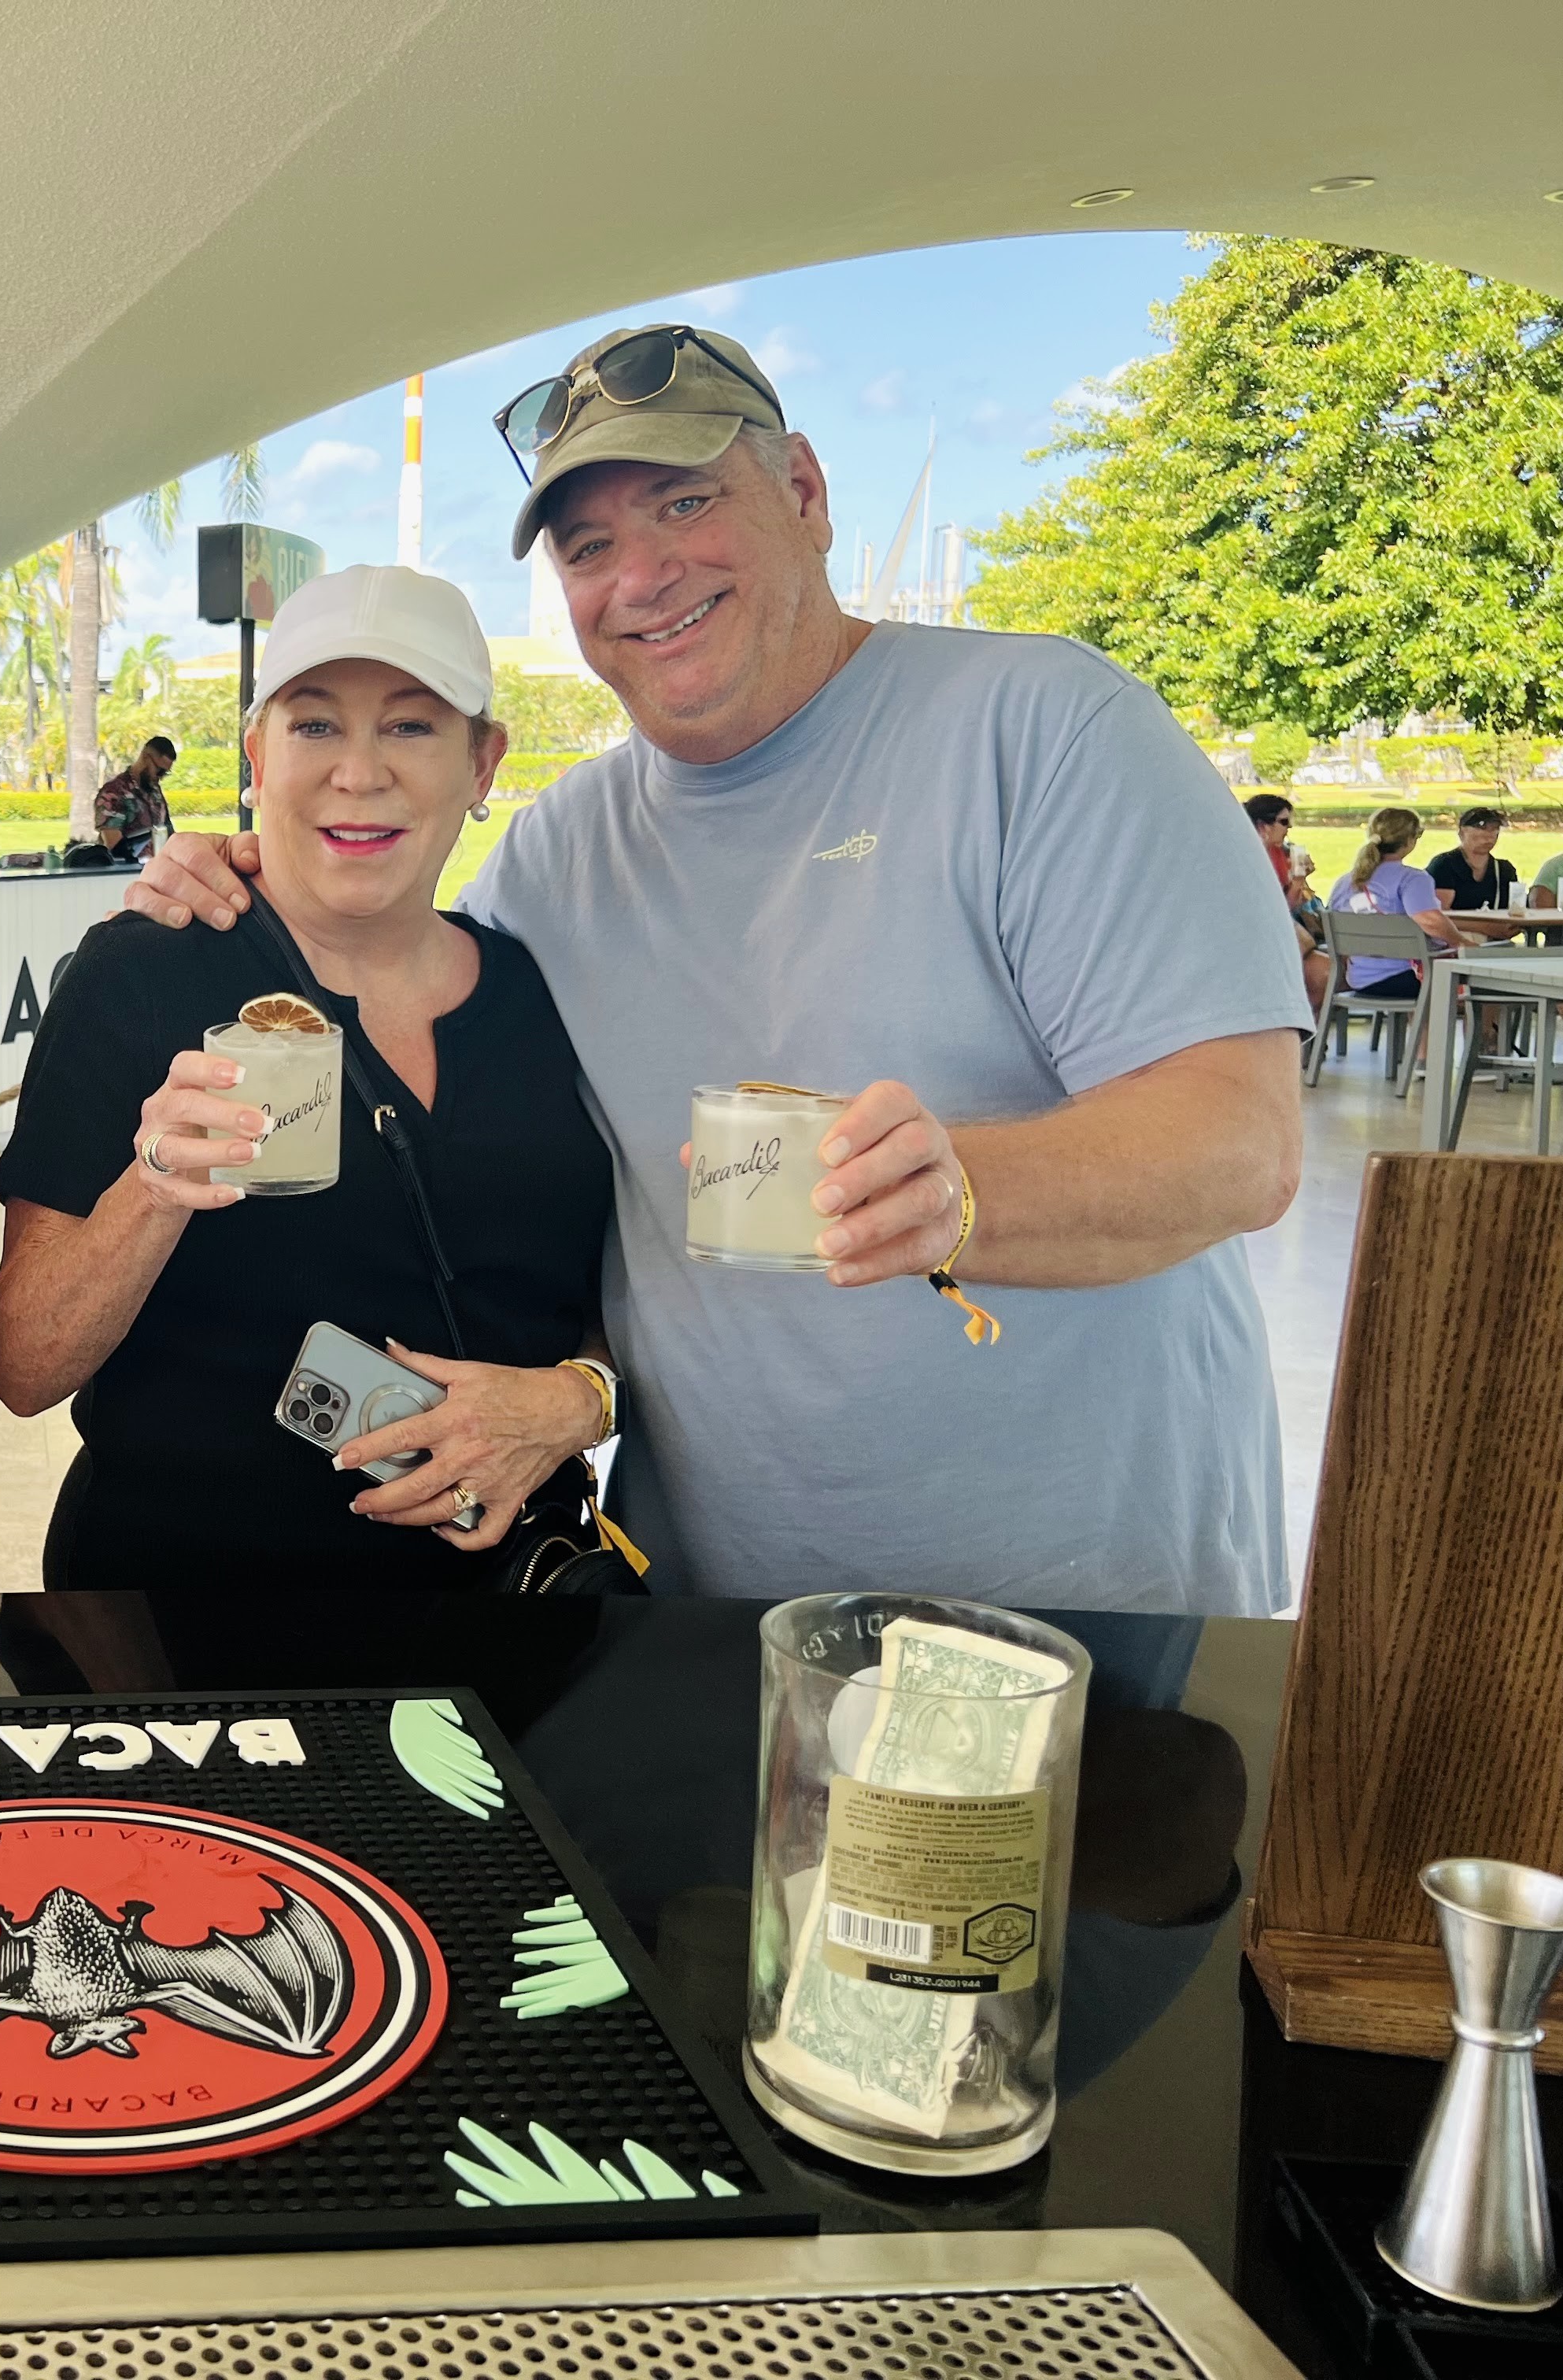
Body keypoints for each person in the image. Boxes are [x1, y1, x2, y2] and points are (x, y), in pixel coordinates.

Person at [128, 321, 1308, 1616]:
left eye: (683, 502)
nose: (639, 573)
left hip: (1079, 1610)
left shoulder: (1042, 729)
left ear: (801, 493)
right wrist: (246, 875)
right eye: (586, 548)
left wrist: (953, 1190)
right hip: (703, 1619)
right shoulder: (558, 855)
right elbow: (435, 1022)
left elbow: (1234, 1142)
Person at [0, 567, 614, 1590]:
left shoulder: (540, 996)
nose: (359, 774)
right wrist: (156, 1189)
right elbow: (23, 1367)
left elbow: (615, 1294)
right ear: (256, 758)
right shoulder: (142, 975)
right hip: (187, 1634)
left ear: (483, 761)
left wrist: (581, 1397)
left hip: (506, 1623)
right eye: (315, 727)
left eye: (412, 728)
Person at [1331, 805, 1472, 999]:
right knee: (1475, 978)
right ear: (1410, 841)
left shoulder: (1345, 882)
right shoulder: (1412, 879)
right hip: (1405, 976)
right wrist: (1461, 942)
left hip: (1358, 978)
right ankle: (1482, 1029)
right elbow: (1428, 919)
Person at [1245, 793, 1331, 1014]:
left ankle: (1309, 1039)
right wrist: (1297, 883)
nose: (1288, 829)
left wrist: (1300, 883)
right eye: (1283, 822)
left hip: (1287, 936)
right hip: (1261, 938)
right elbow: (1276, 910)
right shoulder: (1247, 858)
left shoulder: (1279, 853)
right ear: (1262, 825)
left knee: (1327, 972)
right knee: (1324, 973)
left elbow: (1290, 906)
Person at [1424, 803, 1521, 941]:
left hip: (1495, 943)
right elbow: (1439, 915)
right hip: (1454, 941)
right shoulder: (1444, 865)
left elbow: (1514, 910)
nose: (1489, 835)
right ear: (1462, 832)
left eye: (1495, 829)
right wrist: (1484, 927)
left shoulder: (1504, 870)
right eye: (1482, 828)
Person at [92, 735, 179, 863]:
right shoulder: (114, 792)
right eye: (159, 771)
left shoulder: (154, 791)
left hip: (160, 868)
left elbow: (168, 831)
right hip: (127, 871)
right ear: (145, 757)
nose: (161, 777)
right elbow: (113, 844)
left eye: (165, 773)